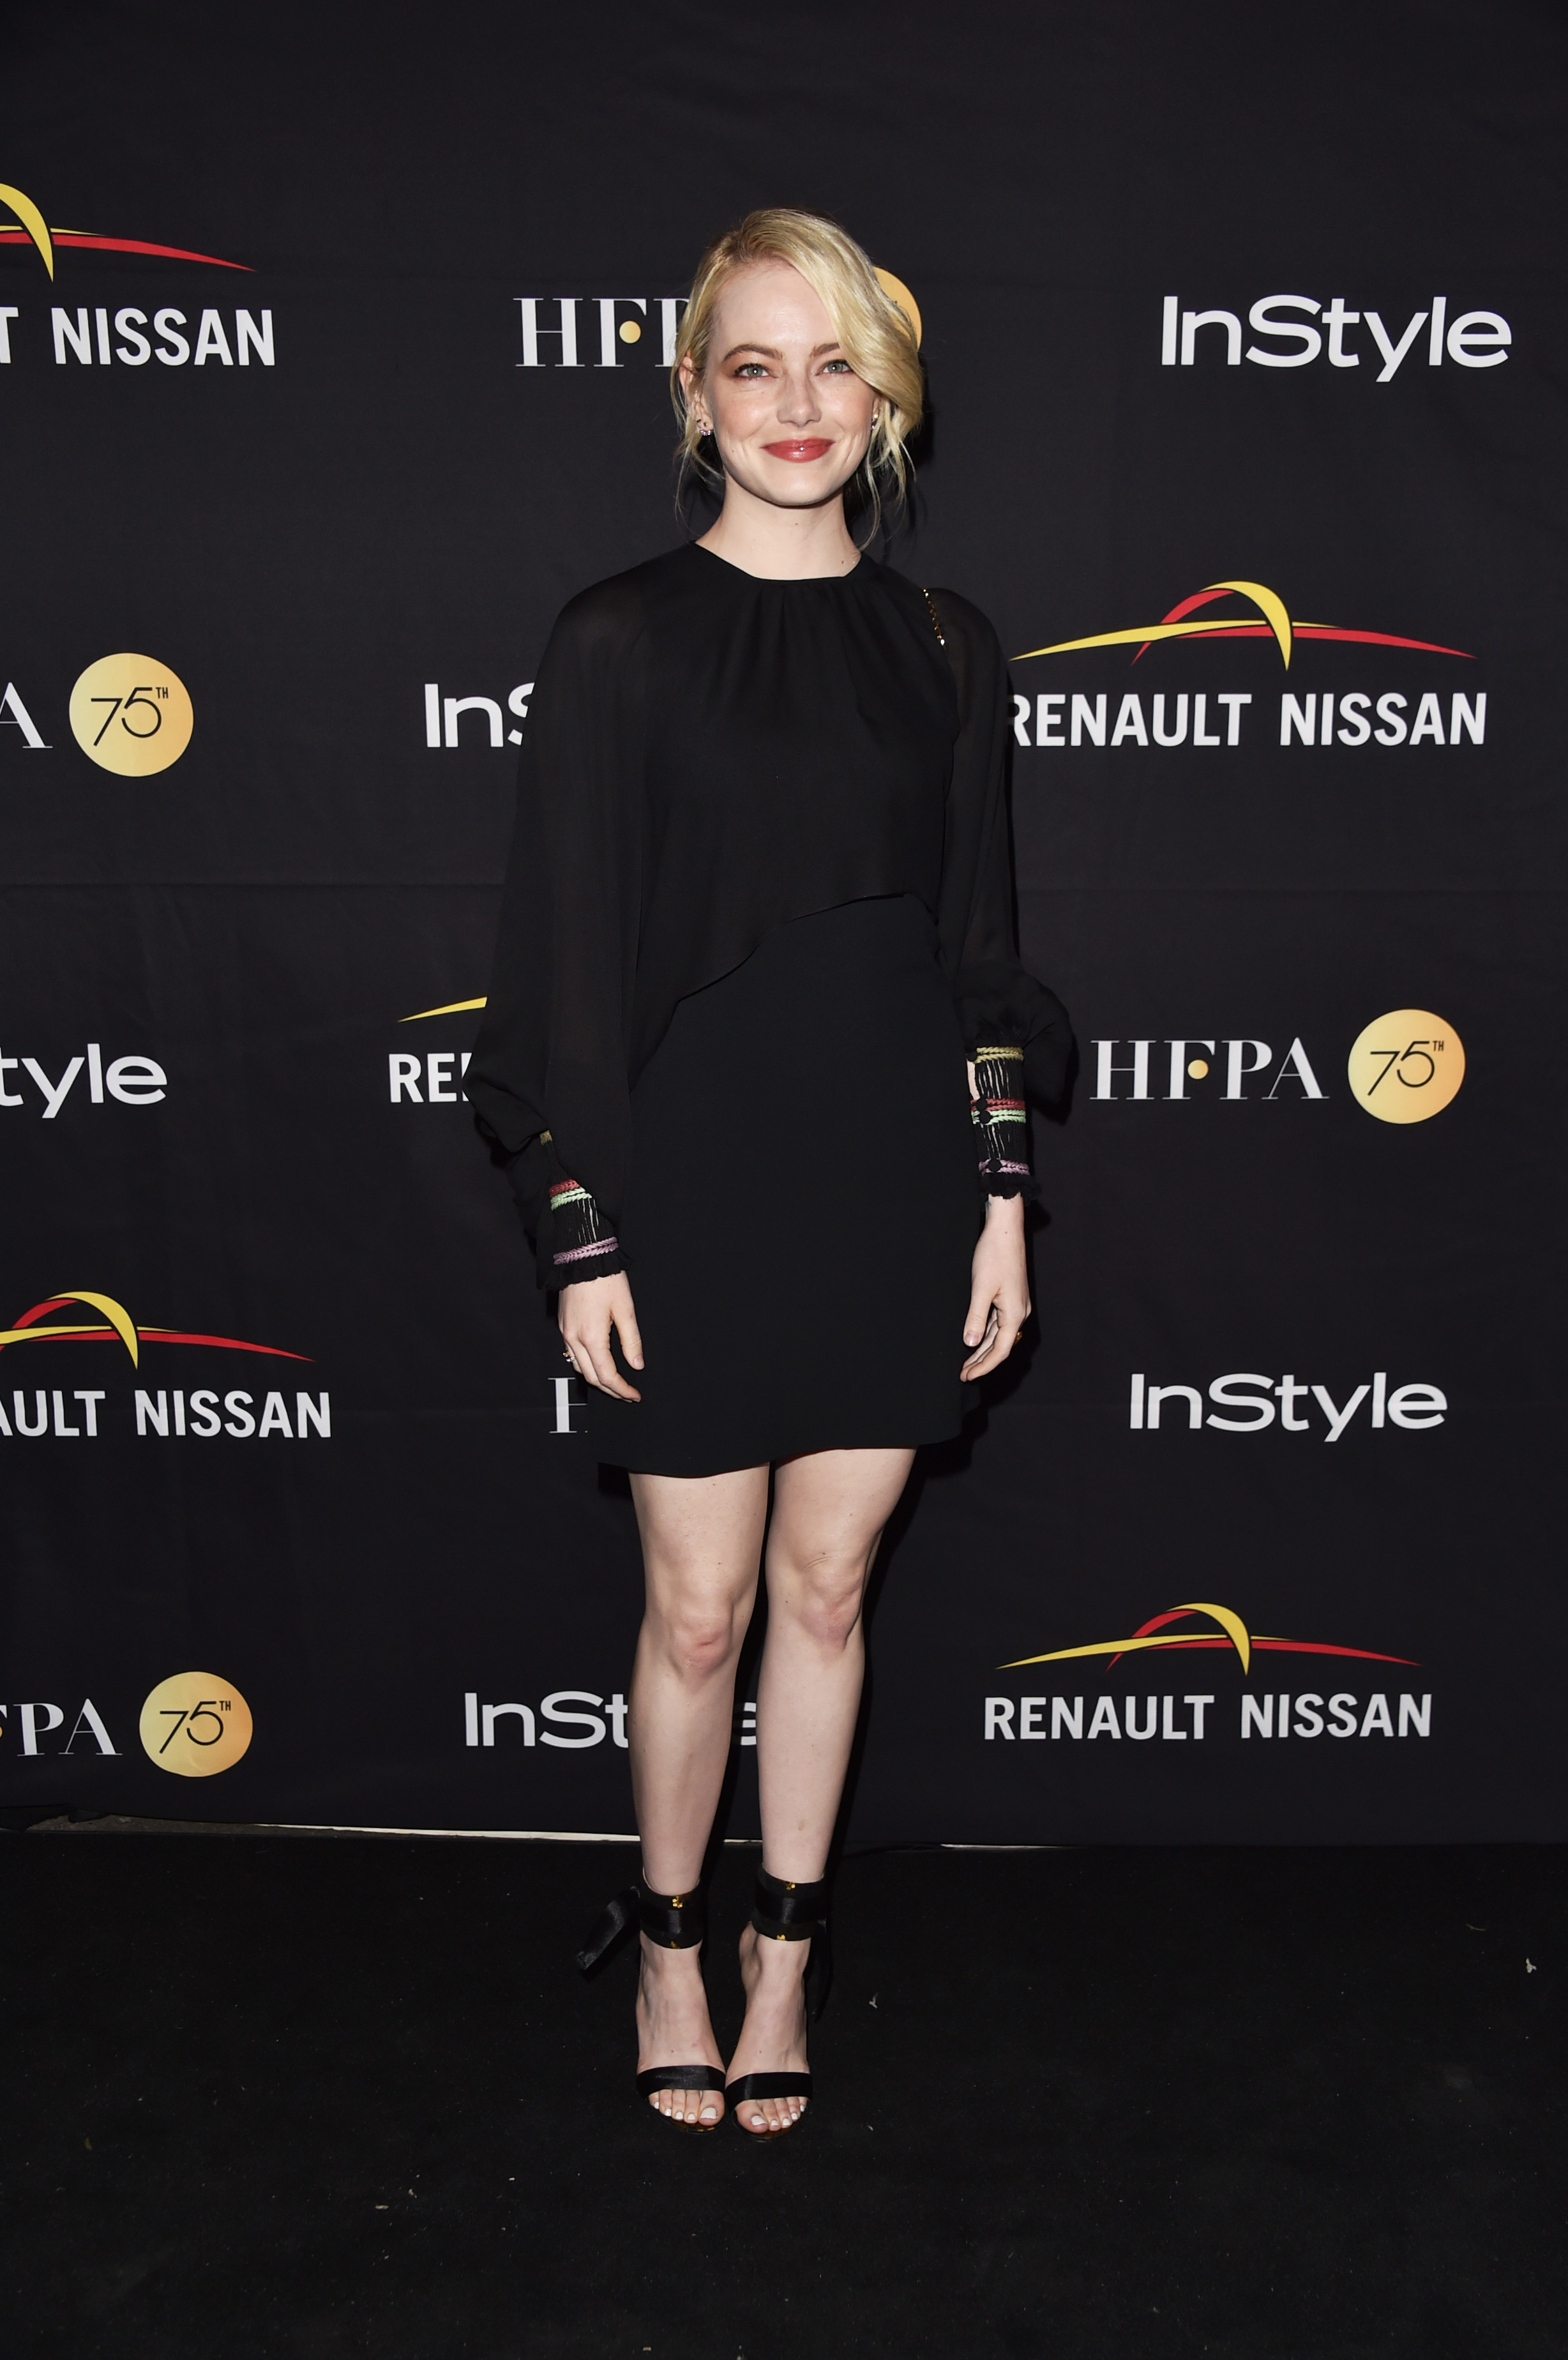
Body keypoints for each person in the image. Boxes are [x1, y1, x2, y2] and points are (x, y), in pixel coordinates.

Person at [468, 209, 1069, 2138]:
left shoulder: (947, 647)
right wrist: (581, 1226)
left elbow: (979, 948)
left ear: (885, 397)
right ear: (693, 393)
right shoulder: (617, 638)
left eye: (835, 366)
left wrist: (998, 1199)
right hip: (690, 1177)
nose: (797, 405)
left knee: (824, 1593)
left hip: (891, 1180)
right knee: (701, 1609)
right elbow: (561, 963)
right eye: (755, 365)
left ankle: (785, 1959)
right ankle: (668, 1944)